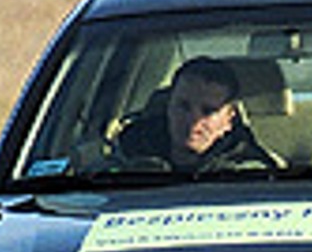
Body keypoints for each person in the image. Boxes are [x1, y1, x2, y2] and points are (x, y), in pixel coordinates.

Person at [111, 56, 279, 172]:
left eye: (208, 111)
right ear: (168, 105)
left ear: (229, 119)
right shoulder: (126, 156)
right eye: (183, 107)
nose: (194, 121)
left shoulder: (252, 176)